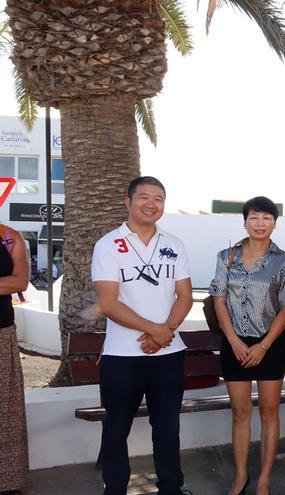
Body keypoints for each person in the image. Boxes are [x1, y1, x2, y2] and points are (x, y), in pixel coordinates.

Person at [91, 176, 193, 495]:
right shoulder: (108, 244)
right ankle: (116, 489)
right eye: (144, 197)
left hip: (169, 356)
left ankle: (171, 489)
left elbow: (185, 297)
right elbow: (108, 302)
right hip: (122, 356)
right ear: (128, 202)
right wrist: (156, 330)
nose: (151, 204)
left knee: (167, 429)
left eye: (158, 198)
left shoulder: (173, 244)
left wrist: (166, 333)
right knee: (116, 428)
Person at [209, 196, 285, 495]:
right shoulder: (226, 257)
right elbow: (218, 299)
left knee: (269, 412)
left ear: (274, 222)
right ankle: (241, 476)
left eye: (267, 218)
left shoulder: (284, 260)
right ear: (245, 221)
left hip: (269, 344)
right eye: (254, 217)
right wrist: (233, 339)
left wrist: (263, 346)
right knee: (240, 412)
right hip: (234, 344)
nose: (260, 224)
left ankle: (264, 479)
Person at [0, 223, 31, 495]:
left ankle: (7, 483)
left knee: (5, 412)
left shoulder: (8, 237)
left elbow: (19, 281)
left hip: (1, 334)